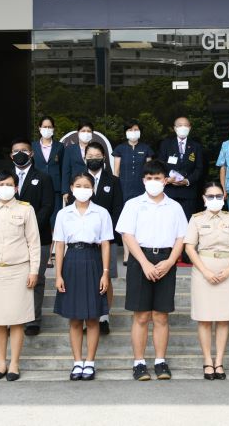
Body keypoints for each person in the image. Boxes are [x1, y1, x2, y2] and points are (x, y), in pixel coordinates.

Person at [116, 160, 188, 381]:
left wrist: (170, 261)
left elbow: (181, 237)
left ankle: (160, 361)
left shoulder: (174, 207)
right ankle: (139, 362)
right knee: (141, 316)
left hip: (166, 259)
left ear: (165, 180)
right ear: (143, 180)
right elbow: (127, 235)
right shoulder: (133, 204)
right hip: (140, 259)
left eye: (157, 178)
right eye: (149, 178)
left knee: (161, 315)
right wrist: (144, 263)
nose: (153, 182)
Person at [0, 170, 40, 382]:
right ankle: (1, 362)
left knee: (17, 320)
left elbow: (33, 243)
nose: (5, 188)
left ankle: (14, 364)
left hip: (18, 271)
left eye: (9, 184)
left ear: (16, 187)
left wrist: (34, 270)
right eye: (1, 184)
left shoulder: (26, 209)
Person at [183, 181, 229, 380]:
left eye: (218, 196)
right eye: (210, 196)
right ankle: (207, 361)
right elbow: (189, 247)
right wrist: (205, 271)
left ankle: (219, 361)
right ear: (204, 198)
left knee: (223, 318)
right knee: (204, 318)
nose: (215, 199)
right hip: (203, 269)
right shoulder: (196, 219)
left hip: (226, 268)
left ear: (224, 197)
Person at [54, 173, 113, 381]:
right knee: (75, 318)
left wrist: (105, 273)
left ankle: (90, 362)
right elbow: (59, 245)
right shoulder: (63, 214)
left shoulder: (102, 213)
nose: (82, 189)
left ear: (93, 188)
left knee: (93, 317)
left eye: (86, 185)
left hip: (93, 260)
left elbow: (105, 244)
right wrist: (58, 274)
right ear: (71, 188)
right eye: (78, 185)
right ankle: (77, 361)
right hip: (71, 261)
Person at [10, 139, 55, 336]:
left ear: (32, 153)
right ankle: (13, 318)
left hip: (39, 237)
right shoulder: (5, 178)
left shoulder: (43, 177)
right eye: (16, 151)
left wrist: (30, 227)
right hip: (11, 238)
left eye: (24, 150)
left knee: (36, 278)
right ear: (11, 155)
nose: (20, 153)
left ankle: (33, 320)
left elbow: (48, 206)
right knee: (13, 280)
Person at [82, 142, 123, 335]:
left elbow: (118, 209)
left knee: (106, 277)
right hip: (85, 240)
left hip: (107, 238)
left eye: (97, 155)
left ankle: (104, 317)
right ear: (84, 158)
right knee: (86, 278)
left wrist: (106, 235)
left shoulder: (113, 181)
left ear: (104, 157)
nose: (93, 159)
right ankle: (86, 316)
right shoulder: (80, 180)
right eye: (90, 156)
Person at [157, 116, 206, 218]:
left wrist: (187, 181)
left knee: (187, 222)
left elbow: (199, 168)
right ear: (174, 128)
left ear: (190, 128)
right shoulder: (166, 144)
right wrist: (167, 179)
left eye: (185, 125)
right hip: (169, 191)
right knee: (168, 220)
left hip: (188, 193)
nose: (183, 128)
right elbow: (160, 165)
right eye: (180, 125)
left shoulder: (196, 146)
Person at [32, 115, 64, 226]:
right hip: (37, 185)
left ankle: (54, 237)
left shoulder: (60, 147)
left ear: (53, 128)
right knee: (38, 216)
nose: (47, 129)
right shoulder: (33, 146)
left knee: (55, 217)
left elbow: (63, 168)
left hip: (55, 187)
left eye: (49, 127)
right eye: (44, 127)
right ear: (39, 128)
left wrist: (63, 189)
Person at [113, 118, 154, 203]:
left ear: (140, 132)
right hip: (123, 187)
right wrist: (116, 187)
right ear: (126, 132)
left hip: (142, 186)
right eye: (130, 130)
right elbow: (116, 172)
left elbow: (150, 171)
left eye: (136, 130)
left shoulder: (146, 148)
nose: (133, 132)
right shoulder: (120, 148)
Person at [61, 120, 96, 201]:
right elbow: (66, 171)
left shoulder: (95, 149)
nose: (86, 133)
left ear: (92, 134)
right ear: (78, 132)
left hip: (91, 187)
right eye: (83, 131)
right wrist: (65, 191)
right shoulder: (70, 149)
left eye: (88, 131)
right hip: (75, 187)